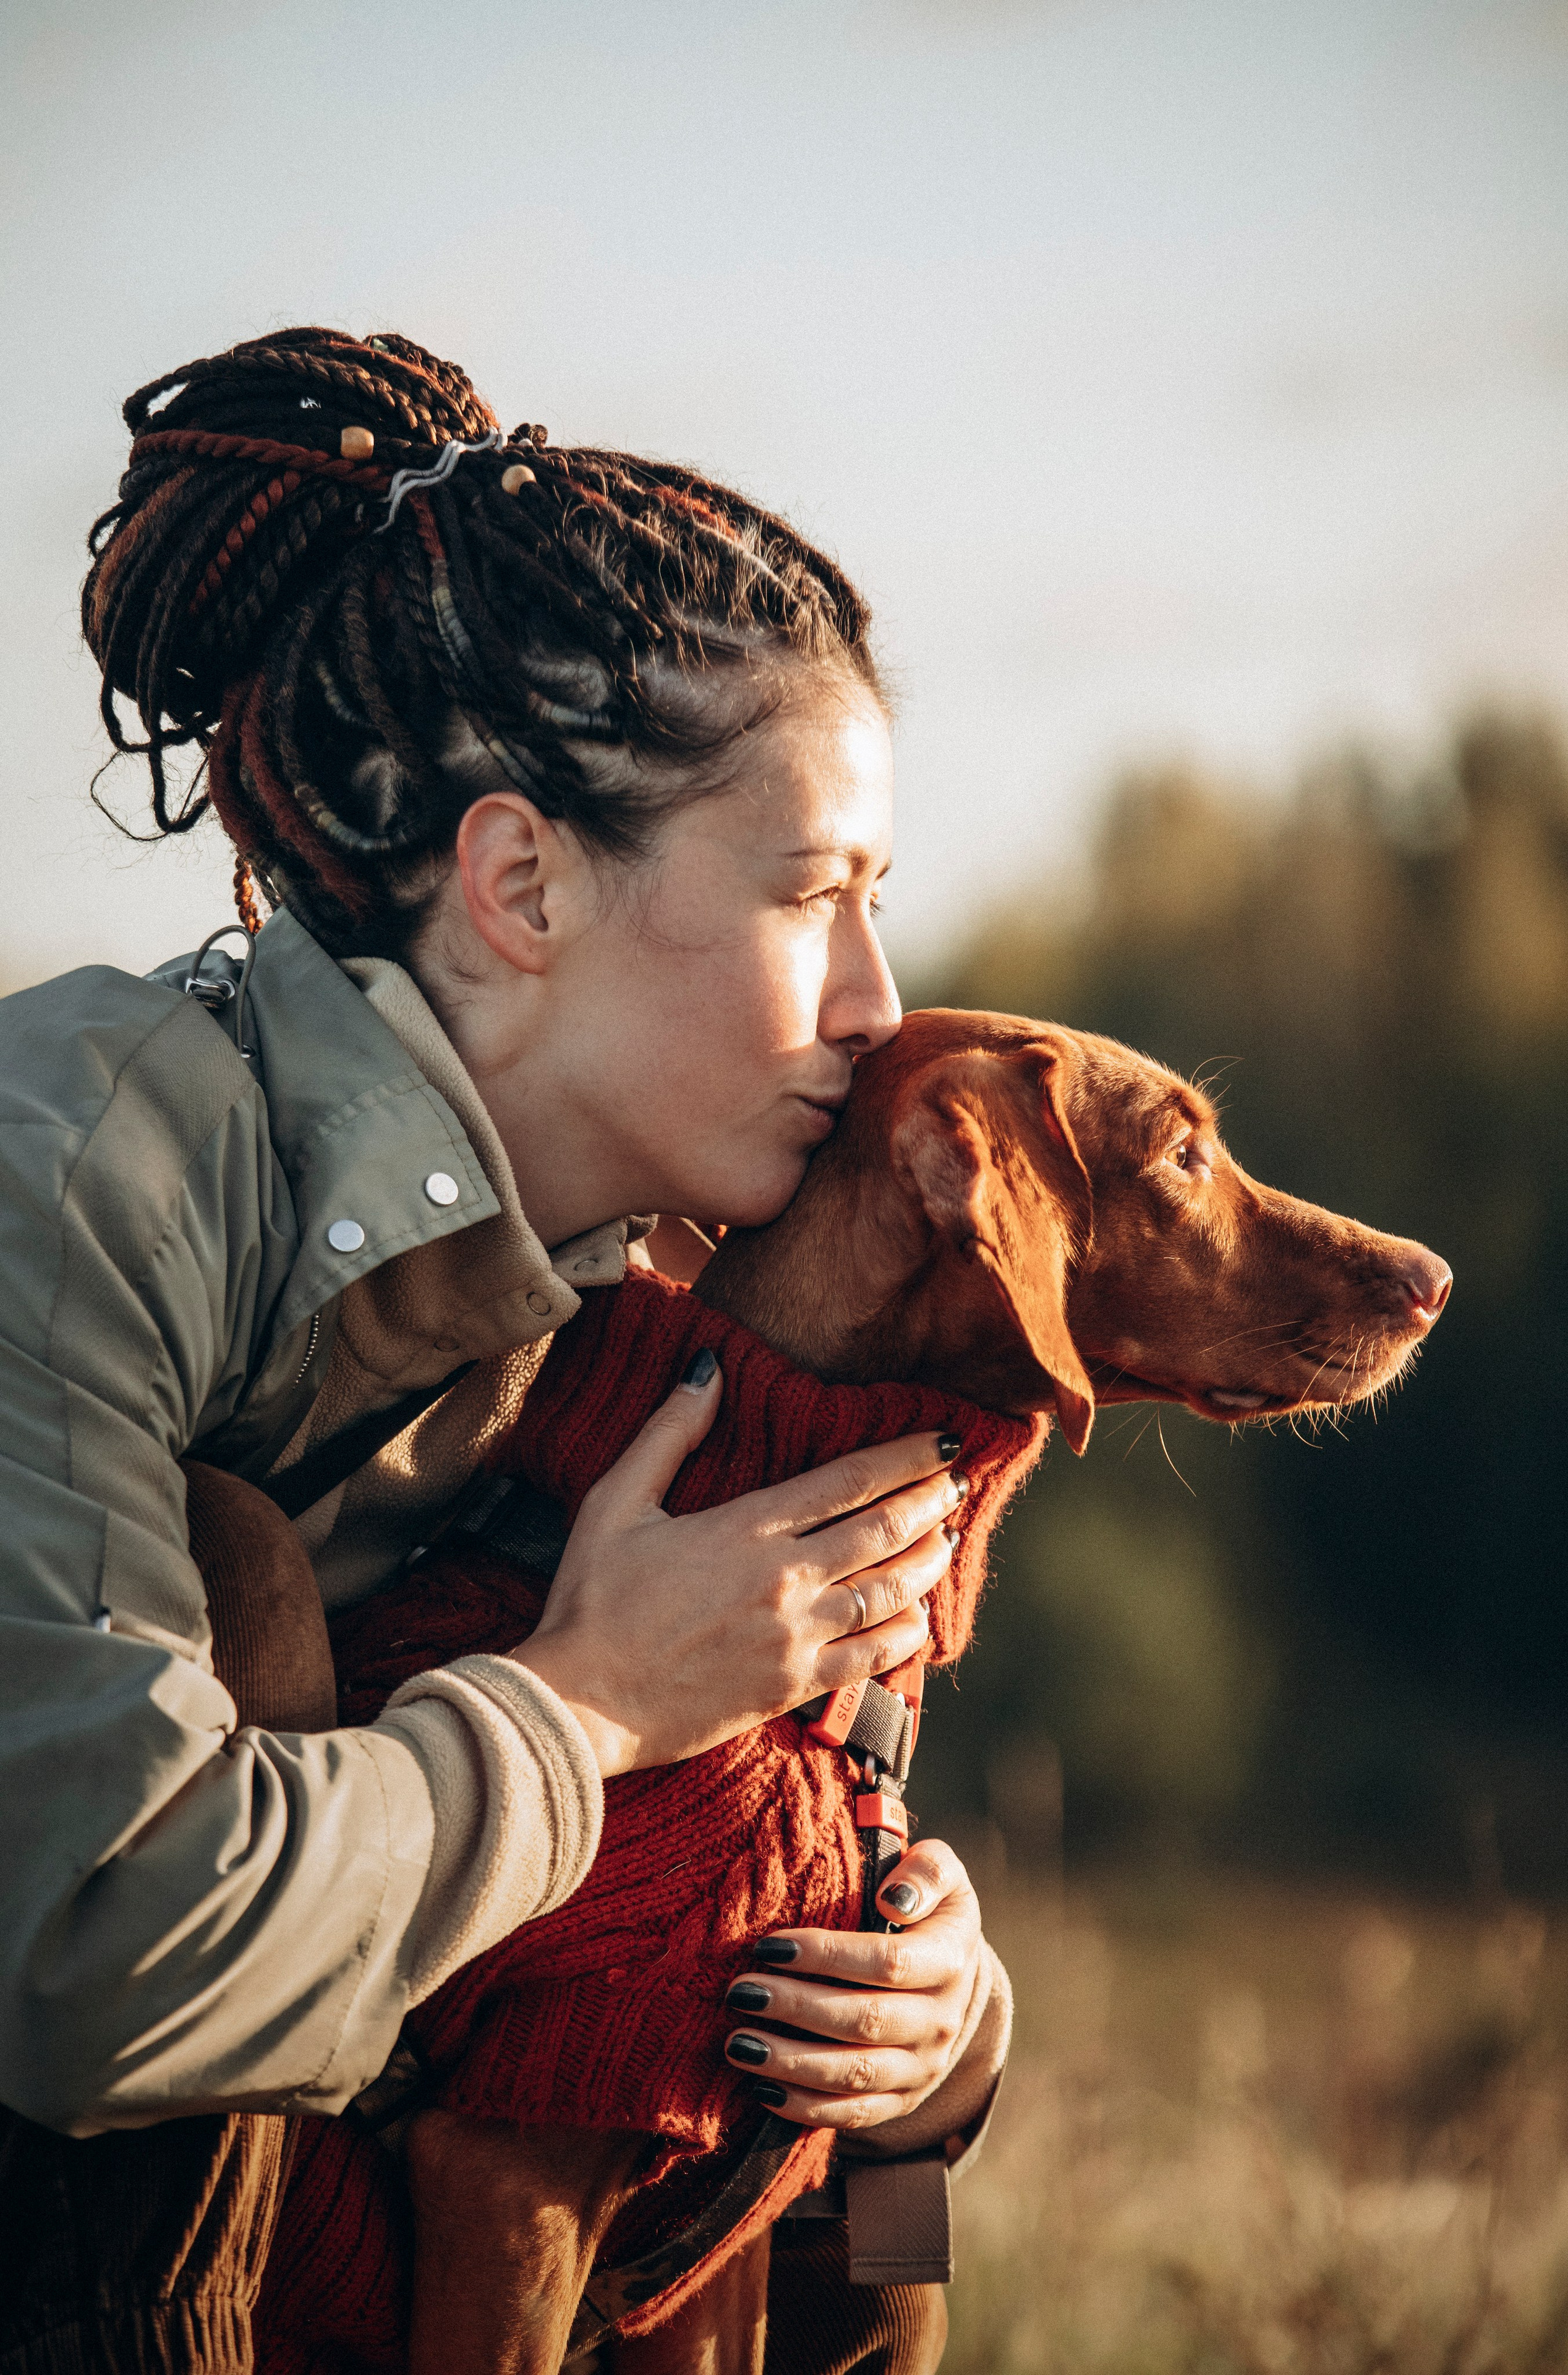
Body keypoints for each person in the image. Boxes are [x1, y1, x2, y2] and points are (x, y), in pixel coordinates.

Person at [0, 328, 1008, 2352]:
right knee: (241, 1584)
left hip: (393, 2214)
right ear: (522, 882)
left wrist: (938, 2063)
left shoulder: (702, 1321)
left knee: (860, 2140)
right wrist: (590, 1707)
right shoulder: (78, 1175)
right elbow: (87, 1964)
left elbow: (880, 2225)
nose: (881, 999)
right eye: (816, 892)